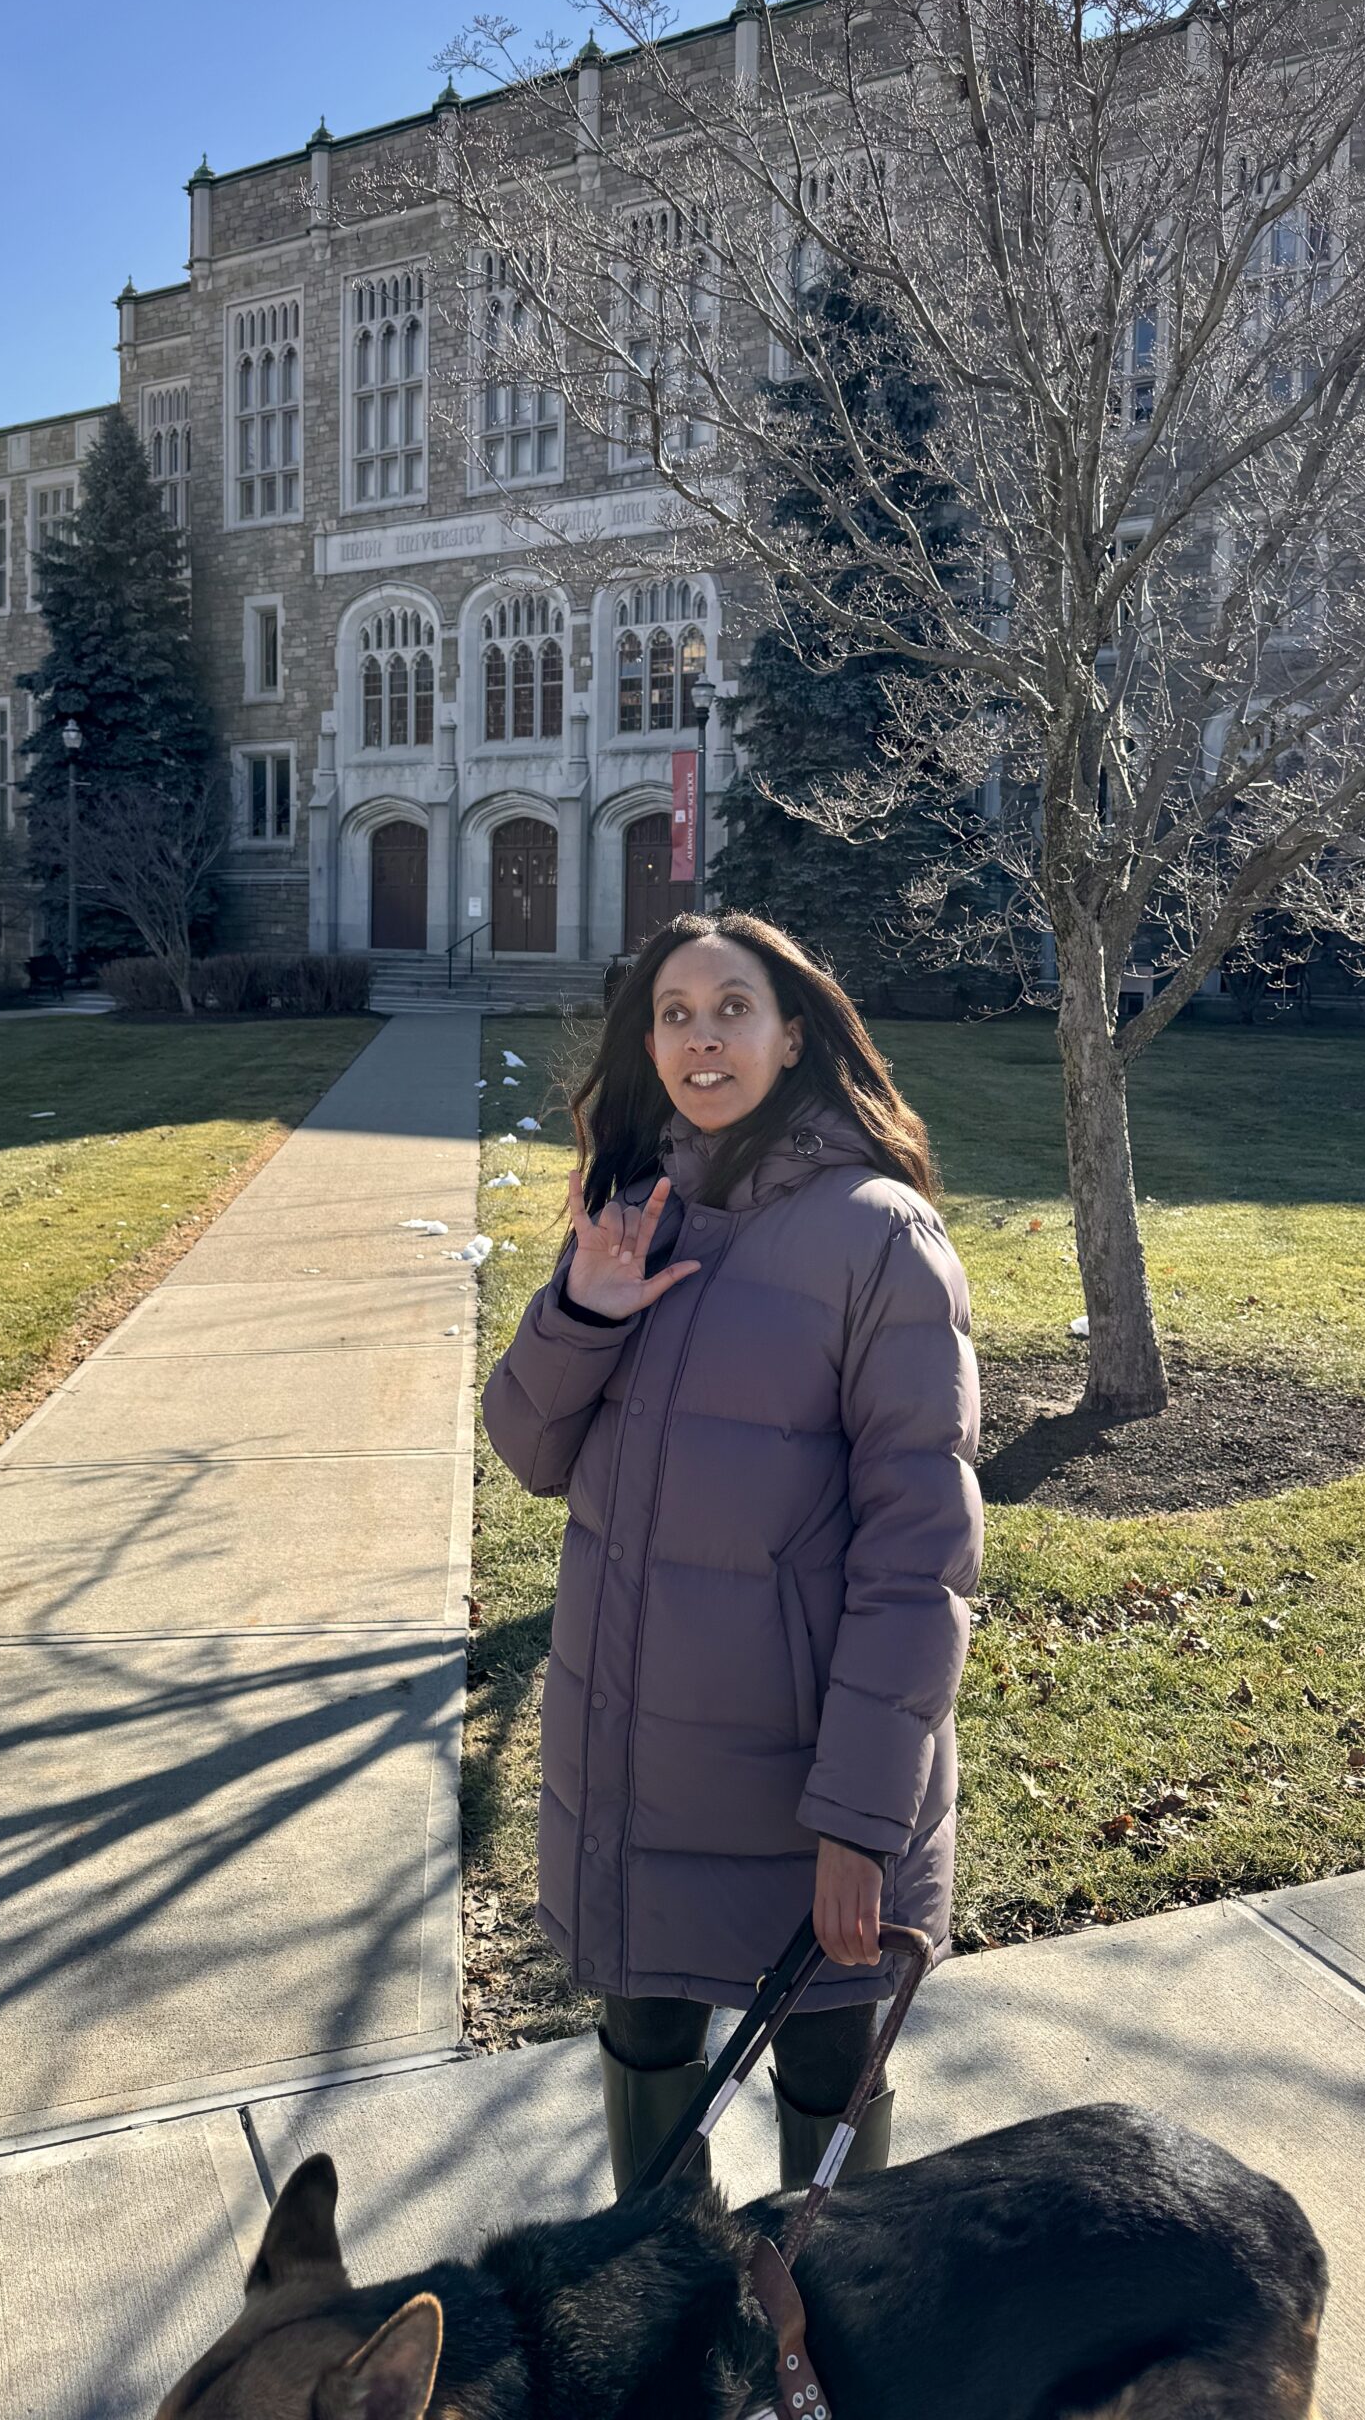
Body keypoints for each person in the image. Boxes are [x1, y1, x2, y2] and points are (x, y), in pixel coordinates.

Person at [482, 911, 982, 2196]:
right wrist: (584, 1308)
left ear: (794, 1031)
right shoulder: (627, 1211)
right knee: (647, 2068)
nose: (702, 1038)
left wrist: (863, 1820)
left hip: (809, 1791)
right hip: (634, 1775)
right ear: (646, 1045)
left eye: (733, 1008)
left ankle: (820, 2357)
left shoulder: (880, 1239)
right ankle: (660, 2328)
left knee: (829, 2102)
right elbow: (530, 1449)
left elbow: (919, 1555)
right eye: (674, 1013)